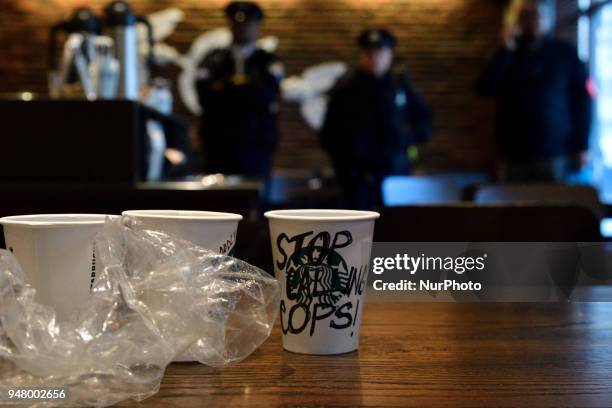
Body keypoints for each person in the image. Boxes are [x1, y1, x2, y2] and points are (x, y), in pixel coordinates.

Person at [476, 0, 592, 183]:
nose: (532, 21)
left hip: (555, 150)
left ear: (547, 19)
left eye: (537, 15)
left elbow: (583, 103)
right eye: (526, 16)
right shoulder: (509, 53)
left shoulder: (564, 53)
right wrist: (505, 51)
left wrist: (582, 146)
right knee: (511, 207)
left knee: (555, 206)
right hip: (513, 152)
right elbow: (485, 89)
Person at [320, 29, 432, 209]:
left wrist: (404, 141)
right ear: (361, 55)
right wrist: (345, 164)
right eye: (369, 53)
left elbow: (424, 124)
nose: (374, 58)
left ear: (390, 54)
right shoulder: (345, 90)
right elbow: (329, 134)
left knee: (395, 230)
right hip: (356, 180)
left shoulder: (402, 88)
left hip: (395, 175)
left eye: (380, 52)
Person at [195, 1, 282, 178]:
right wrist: (245, 87)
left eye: (248, 23)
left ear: (257, 25)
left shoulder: (267, 60)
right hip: (219, 143)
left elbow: (267, 94)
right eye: (237, 23)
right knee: (218, 199)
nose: (243, 28)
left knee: (255, 196)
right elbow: (204, 95)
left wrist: (226, 87)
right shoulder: (214, 58)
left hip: (256, 143)